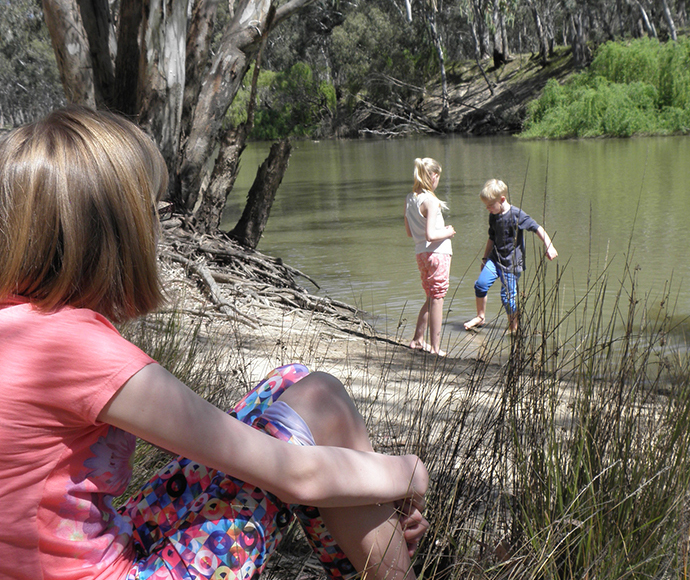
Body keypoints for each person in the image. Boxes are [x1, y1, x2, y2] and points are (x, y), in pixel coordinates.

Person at [0, 106, 429, 580]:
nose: (160, 228)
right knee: (320, 411)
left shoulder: (15, 321)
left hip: (95, 542)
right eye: (153, 211)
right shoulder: (74, 349)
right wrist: (407, 474)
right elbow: (293, 474)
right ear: (117, 233)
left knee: (299, 384)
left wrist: (366, 485)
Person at [463, 178, 558, 334]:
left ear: (502, 199)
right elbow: (491, 238)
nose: (487, 209)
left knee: (507, 297)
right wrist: (485, 258)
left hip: (512, 263)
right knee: (480, 285)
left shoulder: (516, 215)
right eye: (485, 206)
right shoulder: (493, 214)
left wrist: (549, 245)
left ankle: (514, 327)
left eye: (490, 205)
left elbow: (537, 228)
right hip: (495, 259)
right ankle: (480, 317)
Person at [404, 158, 456, 356]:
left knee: (430, 296)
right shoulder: (431, 201)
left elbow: (410, 232)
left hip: (421, 254)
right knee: (438, 299)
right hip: (437, 253)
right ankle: (435, 347)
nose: (438, 181)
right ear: (433, 176)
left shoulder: (409, 198)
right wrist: (448, 231)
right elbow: (431, 235)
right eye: (438, 177)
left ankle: (418, 339)